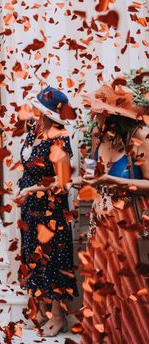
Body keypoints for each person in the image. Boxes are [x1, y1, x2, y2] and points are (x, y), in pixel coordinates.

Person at [80, 83, 149, 344]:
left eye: (98, 111)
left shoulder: (141, 137)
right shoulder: (99, 134)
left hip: (129, 223)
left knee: (129, 288)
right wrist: (86, 181)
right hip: (100, 222)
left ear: (115, 114)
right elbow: (91, 171)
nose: (94, 116)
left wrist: (120, 183)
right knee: (100, 284)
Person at [14, 87, 77, 337]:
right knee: (32, 256)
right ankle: (40, 311)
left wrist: (33, 189)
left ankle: (59, 315)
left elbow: (63, 184)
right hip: (30, 209)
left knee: (52, 259)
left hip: (50, 209)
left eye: (38, 108)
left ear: (48, 113)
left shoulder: (59, 139)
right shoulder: (33, 133)